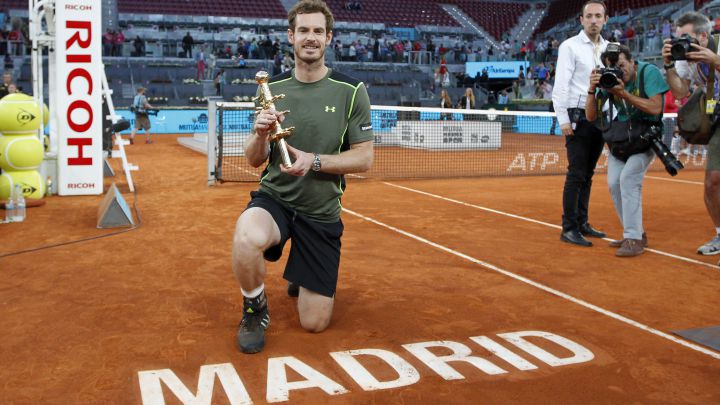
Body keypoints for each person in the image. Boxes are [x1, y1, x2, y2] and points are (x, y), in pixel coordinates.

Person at [231, 0, 374, 354]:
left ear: (329, 38)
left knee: (314, 324)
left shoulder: (351, 91)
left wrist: (314, 162)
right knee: (246, 236)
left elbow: (365, 158)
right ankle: (254, 308)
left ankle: (300, 273)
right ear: (291, 36)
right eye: (304, 31)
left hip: (320, 211)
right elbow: (253, 161)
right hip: (276, 199)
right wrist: (260, 134)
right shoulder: (269, 89)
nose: (310, 38)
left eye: (318, 32)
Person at [586, 44, 669, 256]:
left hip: (646, 138)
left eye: (622, 65)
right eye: (613, 67)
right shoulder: (608, 78)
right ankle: (637, 233)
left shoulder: (647, 72)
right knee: (614, 183)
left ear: (632, 62)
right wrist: (591, 89)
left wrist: (624, 94)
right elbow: (591, 117)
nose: (618, 71)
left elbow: (655, 108)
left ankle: (633, 238)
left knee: (628, 179)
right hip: (622, 140)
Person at [552, 0, 609, 247]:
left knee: (588, 174)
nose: (594, 20)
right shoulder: (569, 47)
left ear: (605, 19)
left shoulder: (610, 48)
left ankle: (583, 222)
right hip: (577, 116)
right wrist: (563, 119)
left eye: (598, 16)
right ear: (582, 20)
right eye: (590, 16)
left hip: (600, 117)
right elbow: (561, 86)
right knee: (576, 174)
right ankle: (569, 227)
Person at [662, 12, 720, 256]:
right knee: (712, 182)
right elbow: (679, 92)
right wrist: (669, 66)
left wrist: (715, 60)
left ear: (703, 36)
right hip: (716, 118)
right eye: (677, 38)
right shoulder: (685, 58)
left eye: (685, 37)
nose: (680, 43)